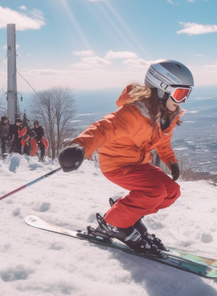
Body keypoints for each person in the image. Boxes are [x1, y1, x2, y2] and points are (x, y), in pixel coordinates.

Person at [58, 59, 193, 256]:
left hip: (138, 164)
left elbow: (162, 142)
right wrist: (80, 147)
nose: (183, 101)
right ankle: (113, 224)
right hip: (117, 165)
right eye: (180, 94)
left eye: (187, 94)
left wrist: (171, 161)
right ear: (162, 89)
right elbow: (102, 128)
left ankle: (126, 213)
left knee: (171, 192)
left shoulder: (166, 117)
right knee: (154, 192)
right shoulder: (133, 114)